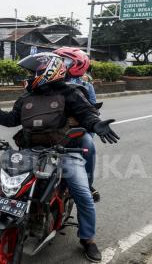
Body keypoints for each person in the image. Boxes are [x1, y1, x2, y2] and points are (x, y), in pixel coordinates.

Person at [0, 52, 119, 262]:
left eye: (33, 73)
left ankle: (88, 239)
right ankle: (14, 219)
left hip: (63, 152)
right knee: (7, 186)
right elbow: (11, 119)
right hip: (30, 153)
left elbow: (86, 114)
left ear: (48, 72)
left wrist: (96, 124)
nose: (29, 77)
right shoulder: (27, 97)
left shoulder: (71, 92)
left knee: (83, 193)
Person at [54, 47, 100, 202]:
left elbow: (93, 110)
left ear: (77, 64)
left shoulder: (86, 85)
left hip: (77, 130)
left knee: (89, 146)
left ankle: (87, 185)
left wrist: (82, 119)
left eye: (64, 60)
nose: (59, 64)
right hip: (52, 126)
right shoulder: (49, 80)